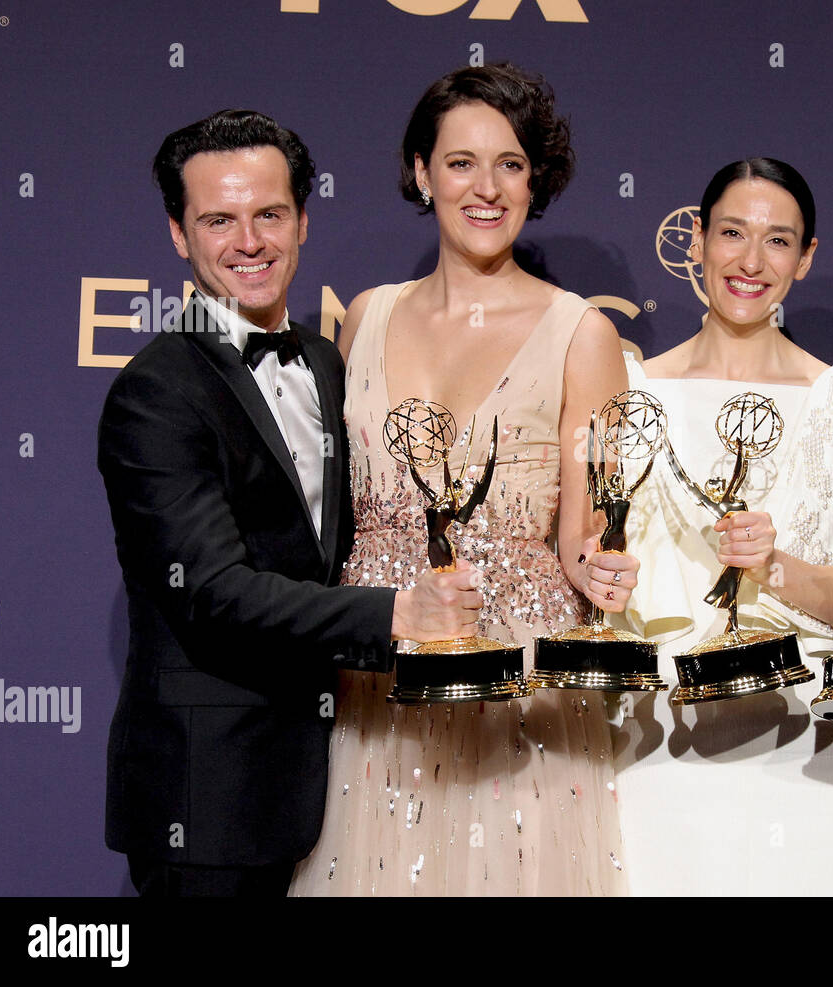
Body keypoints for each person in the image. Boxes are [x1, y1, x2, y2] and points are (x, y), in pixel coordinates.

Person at [98, 110, 481, 897]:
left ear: (303, 219)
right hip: (208, 797)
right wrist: (395, 615)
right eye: (218, 219)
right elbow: (211, 590)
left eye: (269, 213)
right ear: (178, 233)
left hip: (337, 776)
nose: (249, 241)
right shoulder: (154, 393)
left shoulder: (323, 360)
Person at [289, 64, 637, 896]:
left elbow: (586, 537)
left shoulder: (580, 334)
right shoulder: (366, 314)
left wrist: (603, 567)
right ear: (420, 172)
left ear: (535, 178)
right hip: (375, 674)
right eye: (460, 163)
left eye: (510, 164)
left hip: (512, 687)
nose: (486, 188)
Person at [608, 158, 833, 896]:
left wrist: (780, 568)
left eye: (778, 240)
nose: (750, 261)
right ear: (697, 240)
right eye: (732, 233)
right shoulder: (631, 390)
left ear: (806, 258)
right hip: (661, 757)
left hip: (816, 763)